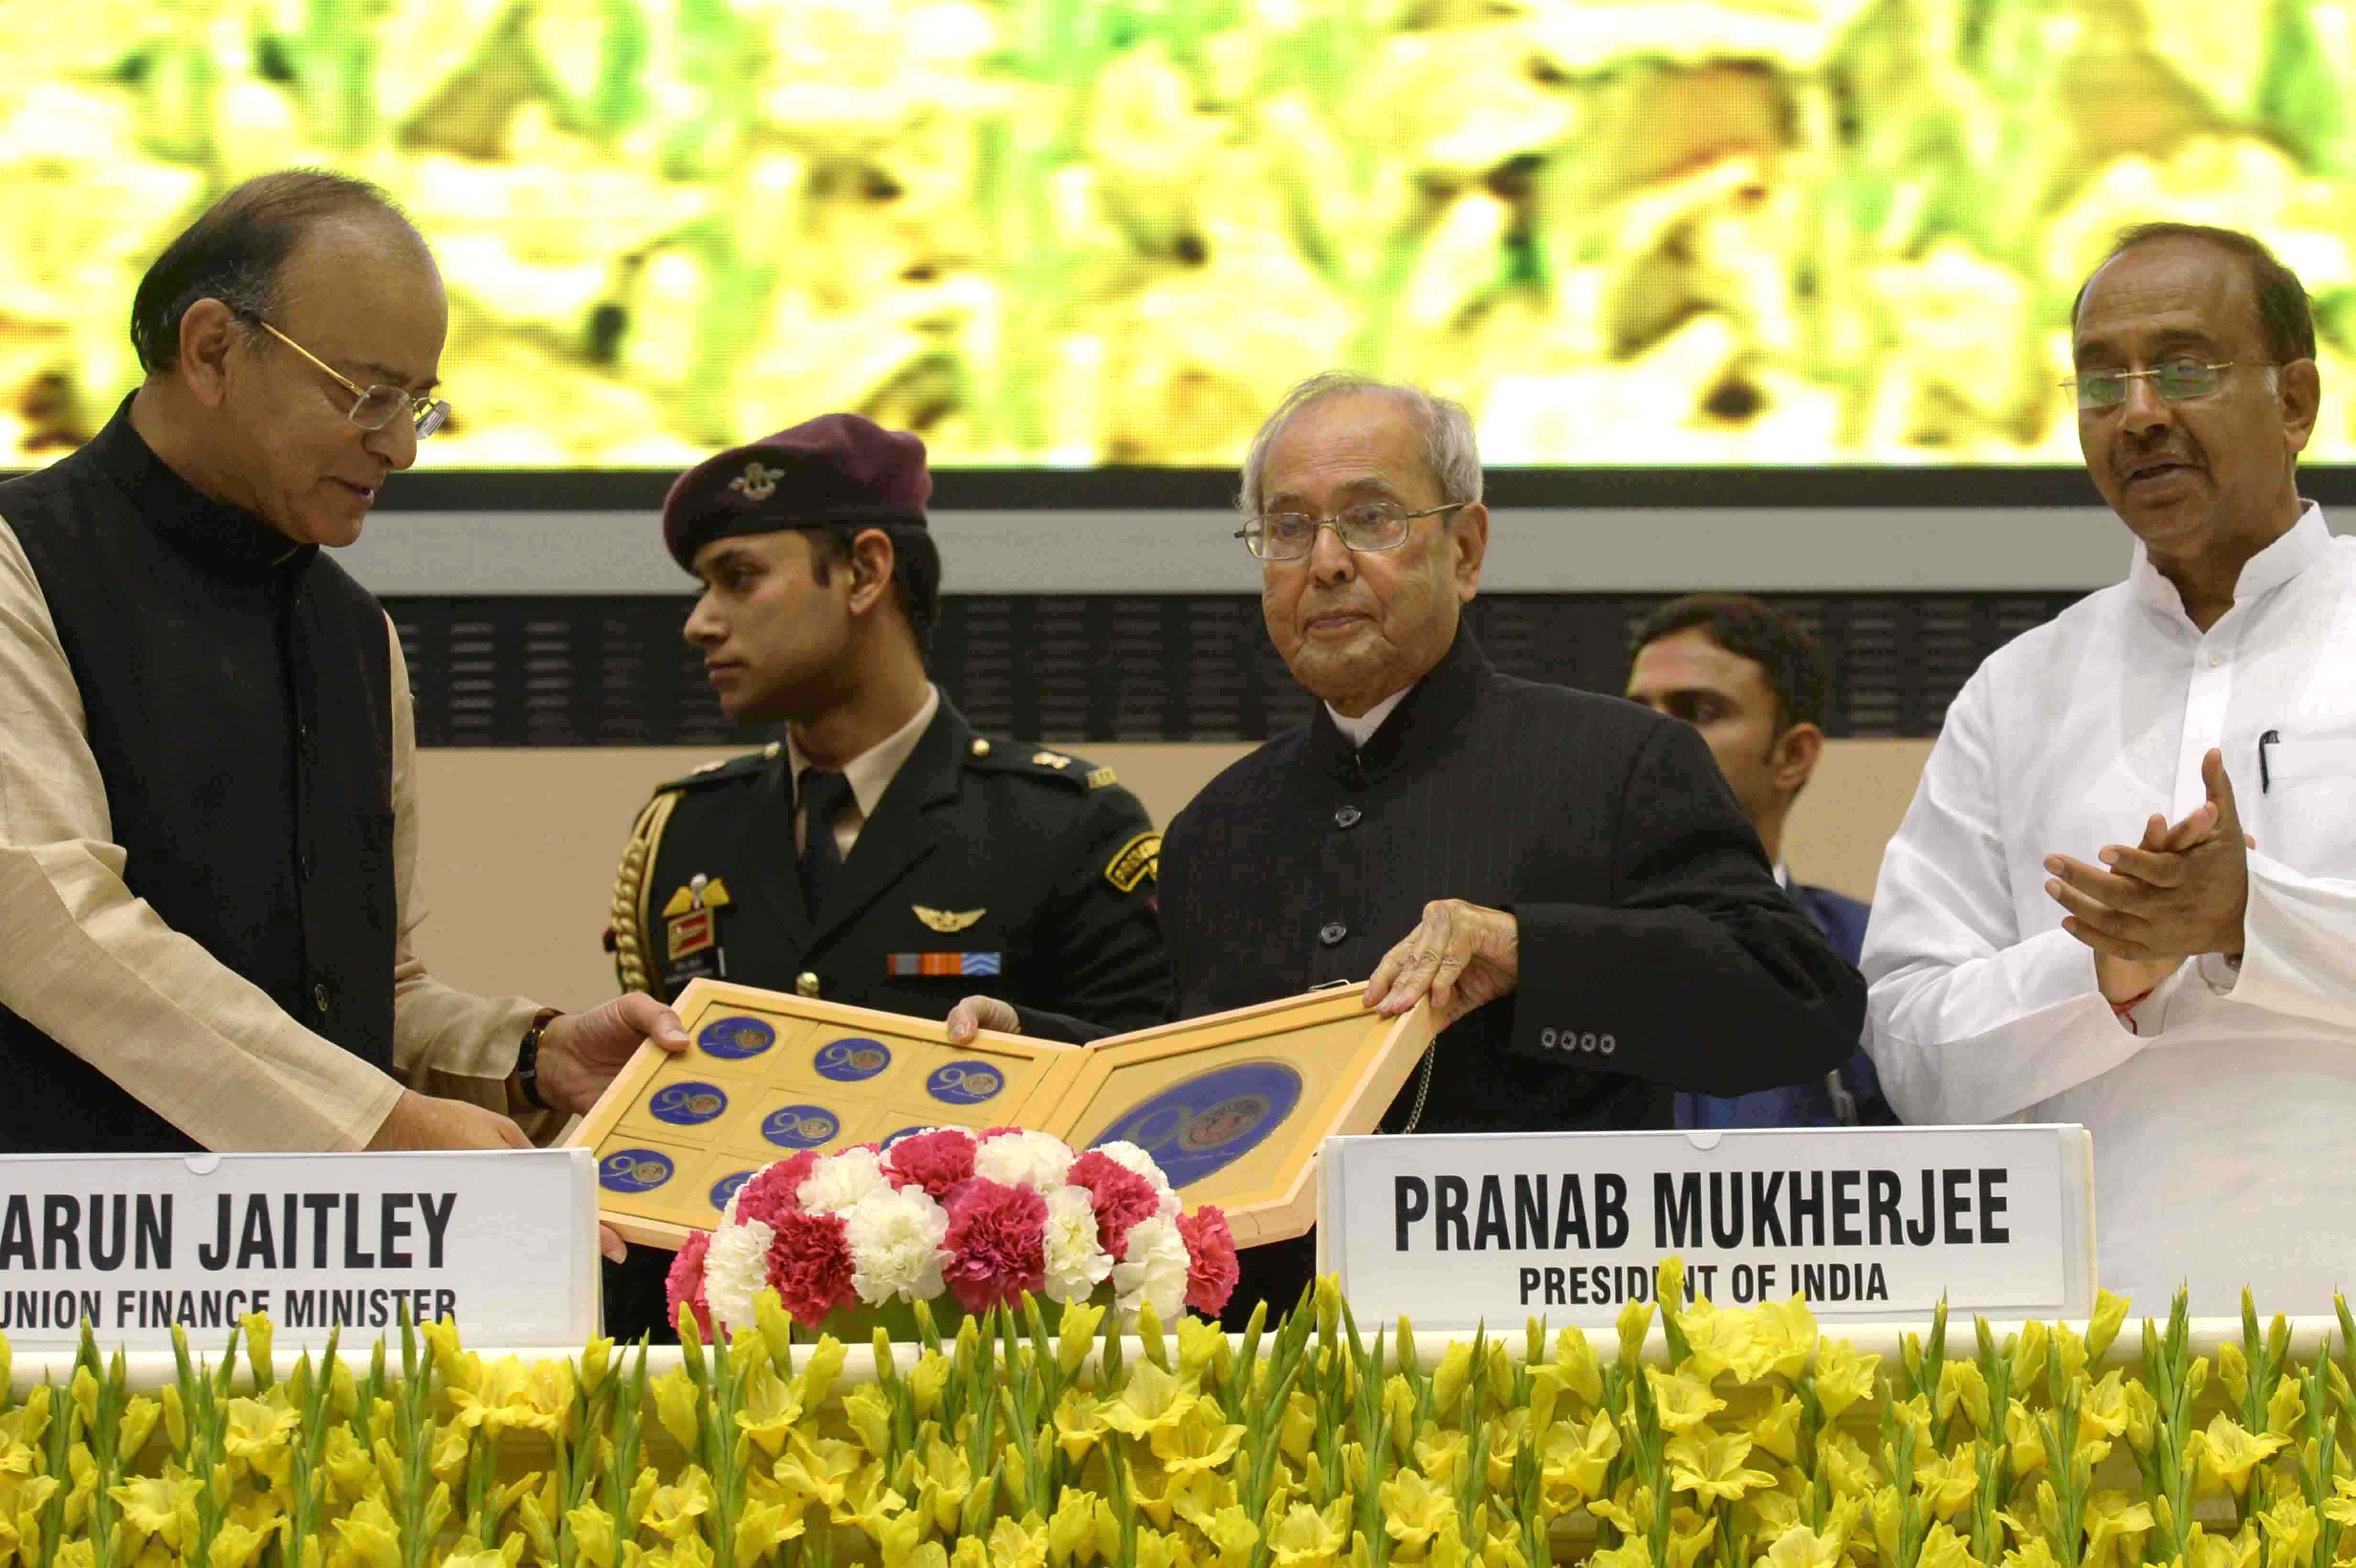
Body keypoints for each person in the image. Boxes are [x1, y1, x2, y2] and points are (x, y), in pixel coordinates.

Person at [952, 370, 1865, 1322]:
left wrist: (1530, 951)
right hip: (1260, 1386)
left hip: (1535, 1363)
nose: (1327, 561)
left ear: (1465, 550)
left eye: (1373, 518)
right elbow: (1196, 1078)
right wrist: (1055, 1062)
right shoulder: (1217, 825)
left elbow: (1800, 1004)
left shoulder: (1619, 761)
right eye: (1289, 528)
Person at [0, 171, 686, 1231]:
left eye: (417, 402)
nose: (401, 446)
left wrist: (526, 1054)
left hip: (326, 1293)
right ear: (214, 349)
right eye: (363, 393)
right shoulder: (23, 562)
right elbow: (48, 928)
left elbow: (369, 991)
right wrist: (382, 1127)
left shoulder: (354, 632)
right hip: (62, 1291)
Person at [1863, 222, 2356, 1312]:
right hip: (2100, 1367)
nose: (2139, 413)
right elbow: (1906, 1041)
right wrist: (2102, 973)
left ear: (2296, 402)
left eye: (2185, 369)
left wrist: (2249, 923)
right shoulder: (2019, 689)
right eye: (2100, 383)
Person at [601, 411, 1174, 1335]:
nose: (700, 623)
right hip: (722, 1361)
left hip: (976, 1357)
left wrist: (1022, 1032)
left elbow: (1151, 1097)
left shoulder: (1057, 822)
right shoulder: (684, 836)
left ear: (865, 572)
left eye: (738, 579)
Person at [1625, 593, 1892, 1127]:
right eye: (1635, 713)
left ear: (1792, 756)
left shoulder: (1871, 956)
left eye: (1699, 712)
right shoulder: (1550, 950)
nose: (1647, 739)